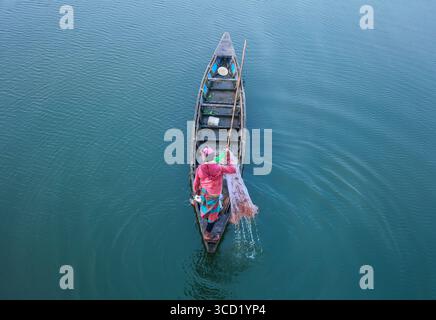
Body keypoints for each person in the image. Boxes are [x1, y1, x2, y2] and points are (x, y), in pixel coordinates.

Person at [193, 146, 236, 241]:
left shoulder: (200, 168)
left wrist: (196, 192)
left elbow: (195, 184)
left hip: (204, 194)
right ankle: (207, 234)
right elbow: (233, 169)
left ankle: (196, 201)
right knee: (213, 216)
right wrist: (228, 157)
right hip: (214, 197)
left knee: (201, 199)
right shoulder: (219, 168)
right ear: (212, 157)